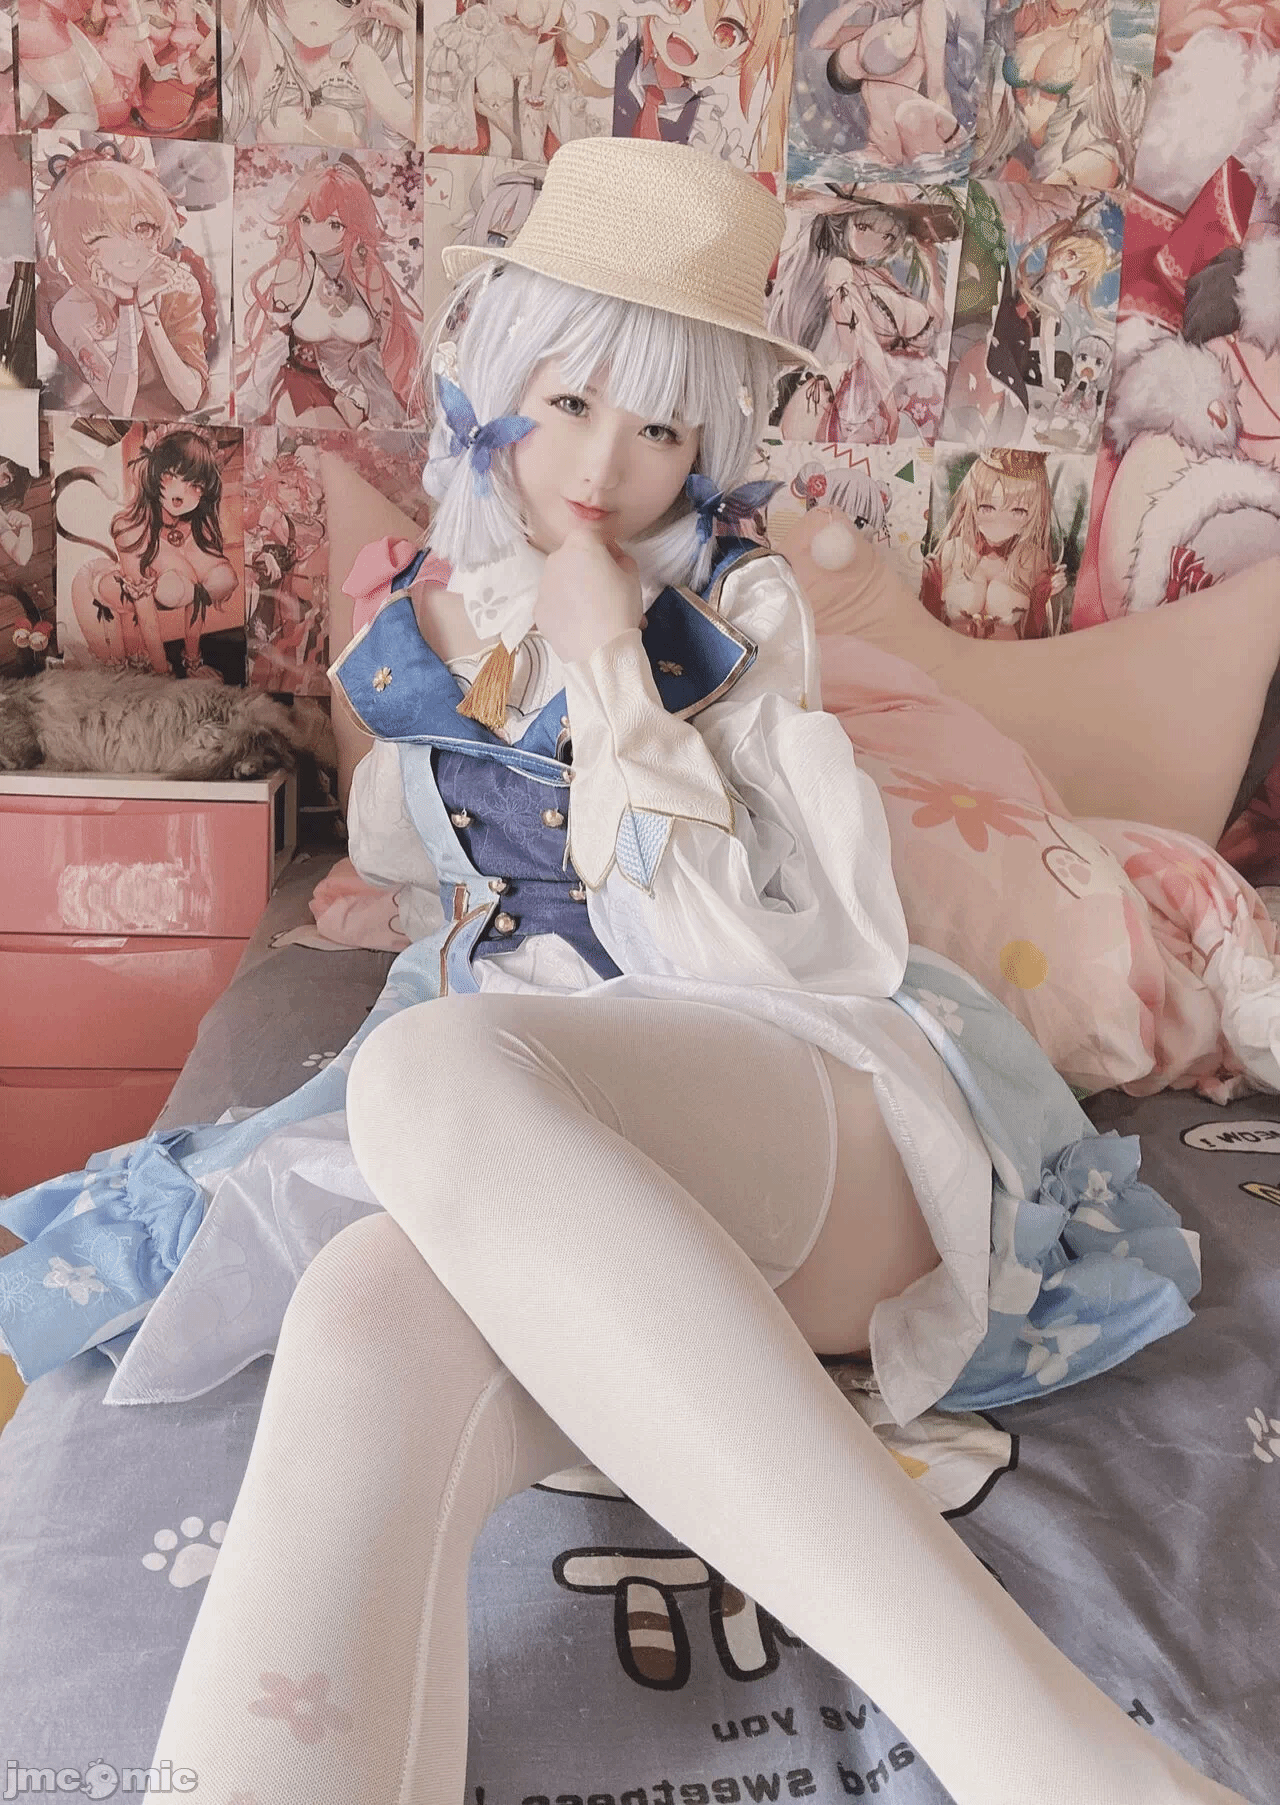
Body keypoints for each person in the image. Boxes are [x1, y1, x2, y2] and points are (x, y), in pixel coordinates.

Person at [0, 139, 1239, 1804]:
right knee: (371, 1295)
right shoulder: (432, 622)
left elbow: (762, 946)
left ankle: (1055, 1758)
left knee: (424, 1077)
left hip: (809, 1098)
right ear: (501, 390)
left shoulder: (742, 621)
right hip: (539, 1139)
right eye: (572, 400)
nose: (606, 464)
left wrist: (613, 681)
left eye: (661, 426)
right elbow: (418, 862)